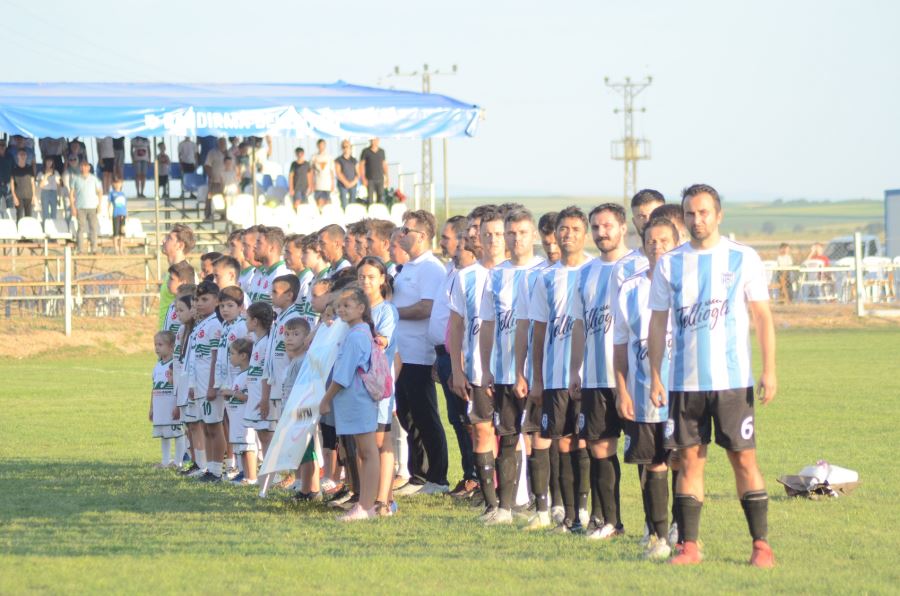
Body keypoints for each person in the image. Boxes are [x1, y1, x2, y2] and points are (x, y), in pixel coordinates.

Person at [648, 184, 777, 567]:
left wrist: (769, 368)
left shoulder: (743, 258)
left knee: (744, 460)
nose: (697, 220)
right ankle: (690, 546)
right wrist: (656, 374)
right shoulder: (670, 263)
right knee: (689, 462)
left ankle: (761, 546)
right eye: (690, 213)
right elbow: (657, 323)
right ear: (683, 217)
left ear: (718, 215)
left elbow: (763, 317)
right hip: (684, 383)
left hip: (732, 383)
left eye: (704, 212)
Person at [613, 216, 679, 561]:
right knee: (653, 462)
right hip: (643, 394)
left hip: (682, 393)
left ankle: (682, 530)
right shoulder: (630, 288)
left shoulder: (687, 286)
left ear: (676, 244)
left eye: (664, 241)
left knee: (682, 460)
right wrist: (621, 390)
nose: (657, 247)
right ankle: (657, 533)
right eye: (651, 241)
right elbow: (620, 347)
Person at [478, 208, 547, 524]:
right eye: (511, 233)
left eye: (522, 233)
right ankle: (504, 508)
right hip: (504, 371)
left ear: (533, 235)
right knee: (506, 436)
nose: (516, 239)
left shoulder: (545, 271)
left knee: (539, 437)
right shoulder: (496, 275)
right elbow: (488, 324)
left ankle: (543, 505)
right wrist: (486, 367)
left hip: (539, 374)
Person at [569, 203, 632, 539]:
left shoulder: (637, 266)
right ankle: (612, 521)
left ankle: (659, 526)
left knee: (647, 455)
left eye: (607, 226)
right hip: (595, 377)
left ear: (622, 228)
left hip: (631, 378)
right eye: (595, 227)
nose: (601, 233)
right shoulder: (585, 273)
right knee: (599, 449)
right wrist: (575, 370)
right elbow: (580, 325)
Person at [526, 206, 591, 532]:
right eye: (563, 229)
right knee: (563, 442)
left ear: (585, 233)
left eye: (575, 229)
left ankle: (586, 508)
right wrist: (536, 376)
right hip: (554, 375)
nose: (567, 235)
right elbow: (538, 331)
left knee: (587, 443)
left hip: (590, 374)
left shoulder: (595, 270)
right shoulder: (546, 277)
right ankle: (568, 515)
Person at [448, 208, 506, 519]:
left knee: (514, 435)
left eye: (498, 234)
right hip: (478, 371)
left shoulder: (518, 273)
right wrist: (458, 370)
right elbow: (456, 326)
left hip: (512, 370)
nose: (492, 240)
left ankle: (516, 498)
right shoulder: (466, 277)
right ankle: (490, 501)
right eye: (485, 235)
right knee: (481, 431)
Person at [392, 210, 450, 495]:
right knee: (407, 415)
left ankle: (438, 477)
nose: (401, 235)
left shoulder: (430, 268)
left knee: (425, 415)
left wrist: (392, 312)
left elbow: (427, 308)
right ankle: (419, 474)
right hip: (401, 353)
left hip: (419, 353)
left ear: (423, 236)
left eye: (407, 230)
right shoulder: (408, 266)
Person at [319, 286, 382, 521]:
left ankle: (366, 506)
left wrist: (326, 399)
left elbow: (343, 375)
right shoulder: (356, 332)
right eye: (339, 306)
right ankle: (365, 504)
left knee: (367, 452)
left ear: (361, 308)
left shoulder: (356, 336)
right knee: (364, 452)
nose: (341, 310)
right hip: (355, 401)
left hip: (358, 400)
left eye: (347, 306)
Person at [357, 256, 400, 515]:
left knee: (381, 441)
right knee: (365, 443)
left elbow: (382, 341)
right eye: (362, 276)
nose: (366, 282)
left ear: (382, 280)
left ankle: (383, 500)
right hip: (357, 385)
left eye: (371, 277)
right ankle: (369, 496)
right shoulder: (355, 308)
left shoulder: (387, 310)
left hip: (377, 385)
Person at [261, 274, 303, 468]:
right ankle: (285, 469)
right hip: (277, 381)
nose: (271, 295)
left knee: (292, 429)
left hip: (288, 381)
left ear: (289, 295)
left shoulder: (294, 318)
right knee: (281, 428)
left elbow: (295, 351)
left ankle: (294, 471)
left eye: (276, 292)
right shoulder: (280, 317)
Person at [188, 281, 225, 482]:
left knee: (214, 427)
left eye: (205, 299)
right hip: (200, 385)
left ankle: (217, 470)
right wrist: (194, 385)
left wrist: (212, 385)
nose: (199, 303)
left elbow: (214, 358)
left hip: (210, 386)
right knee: (206, 427)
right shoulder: (201, 324)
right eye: (197, 300)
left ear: (217, 301)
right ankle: (209, 468)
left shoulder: (214, 325)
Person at [281, 318, 318, 498]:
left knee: (306, 450)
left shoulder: (303, 361)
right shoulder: (294, 360)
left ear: (306, 337)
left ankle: (309, 489)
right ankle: (304, 486)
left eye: (296, 334)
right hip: (293, 412)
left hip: (302, 411)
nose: (289, 338)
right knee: (300, 450)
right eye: (287, 334)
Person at [219, 337, 257, 485]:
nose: (230, 357)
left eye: (232, 353)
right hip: (236, 417)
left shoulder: (249, 375)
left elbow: (248, 396)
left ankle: (252, 477)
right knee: (240, 447)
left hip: (244, 418)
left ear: (243, 356)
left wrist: (231, 393)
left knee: (248, 446)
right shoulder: (239, 375)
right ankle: (244, 475)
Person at [243, 302, 276, 461]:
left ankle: (272, 471)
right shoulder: (258, 340)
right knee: (261, 433)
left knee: (266, 433)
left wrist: (265, 399)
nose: (245, 322)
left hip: (262, 395)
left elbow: (267, 372)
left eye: (247, 319)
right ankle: (267, 467)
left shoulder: (267, 343)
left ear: (255, 321)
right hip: (255, 393)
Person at [173, 294, 202, 475]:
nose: (177, 314)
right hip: (182, 381)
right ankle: (194, 461)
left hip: (193, 383)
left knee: (196, 425)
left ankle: (201, 462)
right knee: (188, 425)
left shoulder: (198, 329)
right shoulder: (182, 330)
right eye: (176, 310)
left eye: (181, 310)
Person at [149, 330, 186, 469]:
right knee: (164, 433)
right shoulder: (157, 365)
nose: (157, 348)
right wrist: (151, 407)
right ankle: (165, 461)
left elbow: (179, 386)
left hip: (172, 404)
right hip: (160, 405)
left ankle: (178, 462)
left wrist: (178, 405)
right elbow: (153, 388)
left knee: (177, 433)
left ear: (171, 347)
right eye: (155, 345)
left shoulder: (175, 365)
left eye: (160, 344)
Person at [159, 224, 196, 327]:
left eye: (169, 238)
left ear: (180, 245)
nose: (163, 241)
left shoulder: (185, 274)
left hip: (174, 336)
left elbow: (189, 307)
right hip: (165, 334)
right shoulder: (171, 272)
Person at [68, 160, 103, 253]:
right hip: (80, 207)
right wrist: (73, 207)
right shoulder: (75, 178)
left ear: (89, 167)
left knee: (93, 228)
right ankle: (80, 249)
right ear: (80, 167)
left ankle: (94, 248)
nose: (84, 168)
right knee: (81, 228)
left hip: (92, 207)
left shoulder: (94, 179)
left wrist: (99, 205)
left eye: (86, 166)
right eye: (82, 166)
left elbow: (100, 192)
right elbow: (71, 194)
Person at [250, 226, 290, 304]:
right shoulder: (260, 274)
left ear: (271, 248)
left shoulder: (282, 275)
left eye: (259, 242)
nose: (254, 246)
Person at [284, 234, 315, 320]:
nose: (285, 257)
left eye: (288, 253)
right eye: (285, 253)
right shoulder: (298, 279)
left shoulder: (307, 279)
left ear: (302, 254)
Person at [161, 262, 195, 333]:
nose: (168, 282)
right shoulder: (173, 303)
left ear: (183, 283)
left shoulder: (191, 305)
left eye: (171, 279)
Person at [359, 138, 388, 204]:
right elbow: (361, 165)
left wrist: (387, 177)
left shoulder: (382, 151)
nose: (374, 141)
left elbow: (384, 165)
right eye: (373, 140)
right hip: (369, 179)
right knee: (370, 199)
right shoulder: (365, 151)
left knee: (381, 198)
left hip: (380, 178)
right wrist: (363, 178)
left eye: (376, 140)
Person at [10, 150, 36, 221]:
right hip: (18, 196)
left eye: (24, 154)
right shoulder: (14, 169)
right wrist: (14, 196)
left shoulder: (30, 168)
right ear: (17, 156)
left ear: (26, 156)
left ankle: (28, 231)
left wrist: (34, 196)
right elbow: (12, 184)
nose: (22, 156)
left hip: (29, 195)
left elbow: (33, 183)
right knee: (19, 216)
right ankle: (19, 230)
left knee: (29, 217)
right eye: (21, 154)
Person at [311, 139, 335, 209]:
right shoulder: (314, 157)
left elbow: (332, 171)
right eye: (320, 145)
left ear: (325, 146)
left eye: (322, 145)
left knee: (327, 202)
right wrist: (312, 183)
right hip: (318, 184)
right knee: (318, 202)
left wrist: (332, 184)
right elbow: (311, 171)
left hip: (327, 184)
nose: (321, 146)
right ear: (317, 146)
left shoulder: (329, 157)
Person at [335, 139, 359, 208]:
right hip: (342, 185)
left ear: (350, 148)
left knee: (353, 204)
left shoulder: (354, 160)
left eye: (347, 147)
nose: (345, 149)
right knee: (344, 204)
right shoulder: (338, 160)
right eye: (344, 147)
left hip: (353, 185)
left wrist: (352, 183)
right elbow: (338, 173)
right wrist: (346, 183)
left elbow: (358, 174)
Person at [107, 178, 128, 255]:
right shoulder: (112, 193)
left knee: (122, 233)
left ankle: (121, 248)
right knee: (116, 233)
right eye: (116, 183)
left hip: (123, 215)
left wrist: (127, 214)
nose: (117, 185)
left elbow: (125, 205)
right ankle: (116, 248)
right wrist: (108, 213)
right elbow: (109, 204)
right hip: (116, 214)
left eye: (119, 183)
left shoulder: (123, 194)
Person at [0, 140, 14, 219]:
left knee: (10, 207)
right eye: (0, 145)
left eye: (3, 145)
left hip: (8, 185)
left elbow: (13, 171)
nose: (1, 146)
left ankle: (10, 223)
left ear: (6, 146)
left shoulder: (10, 157)